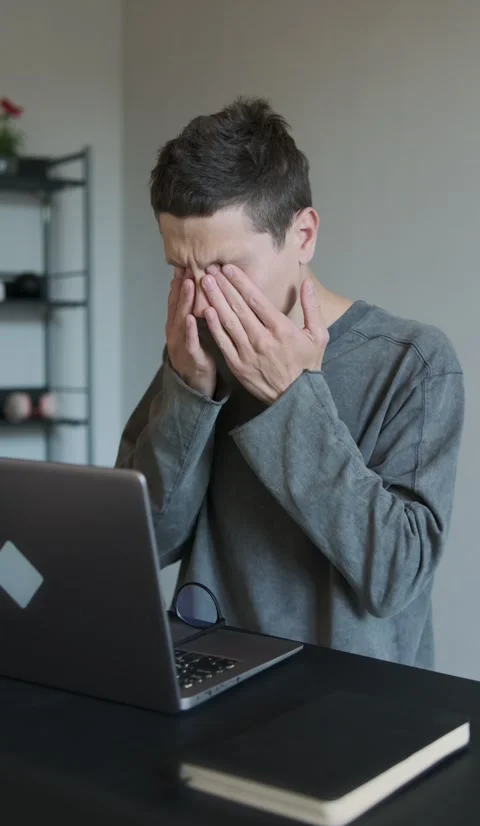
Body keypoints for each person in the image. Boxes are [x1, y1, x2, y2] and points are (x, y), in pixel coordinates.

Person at [116, 97, 464, 668]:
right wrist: (187, 389)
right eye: (181, 268)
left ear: (302, 235)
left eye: (227, 269)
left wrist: (290, 397)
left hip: (353, 696)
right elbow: (142, 545)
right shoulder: (197, 349)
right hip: (211, 672)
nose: (204, 298)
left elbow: (395, 577)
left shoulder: (413, 362)